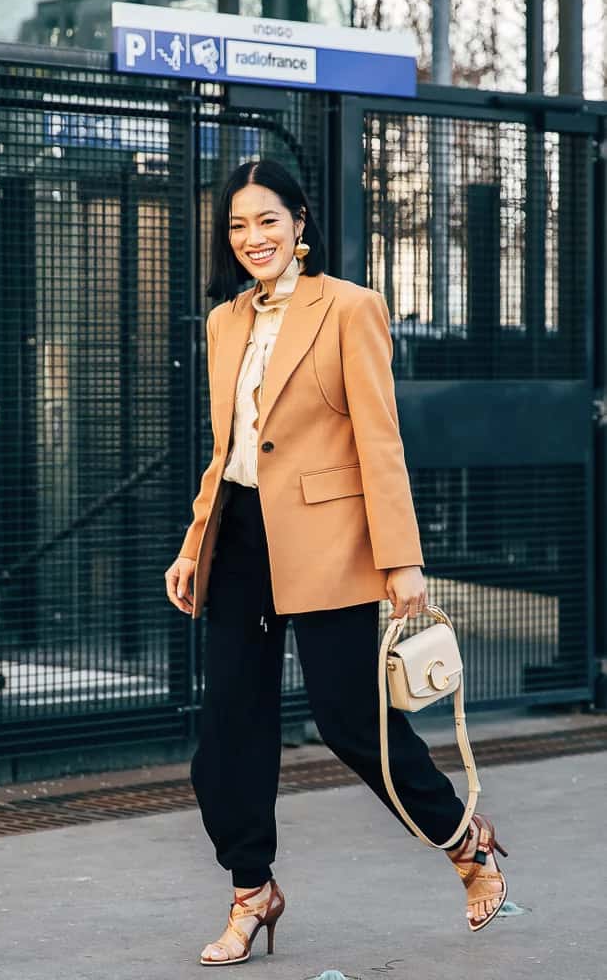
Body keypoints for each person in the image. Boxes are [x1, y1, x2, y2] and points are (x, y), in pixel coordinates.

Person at [164, 159, 508, 966]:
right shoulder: (223, 323)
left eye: (267, 221)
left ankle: (465, 843)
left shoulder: (350, 308)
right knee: (227, 735)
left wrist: (402, 560)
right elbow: (228, 453)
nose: (253, 238)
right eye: (238, 225)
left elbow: (377, 440)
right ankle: (252, 892)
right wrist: (192, 545)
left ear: (299, 222)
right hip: (240, 540)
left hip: (328, 541)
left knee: (353, 723)